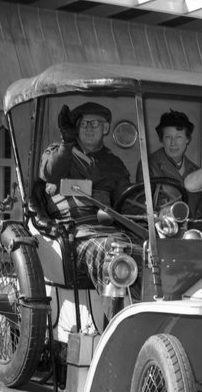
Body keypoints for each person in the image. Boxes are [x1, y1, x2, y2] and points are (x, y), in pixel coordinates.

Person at [35, 101, 135, 289]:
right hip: (73, 234)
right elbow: (50, 173)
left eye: (94, 123)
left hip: (109, 231)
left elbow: (126, 200)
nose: (89, 128)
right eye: (83, 123)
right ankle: (118, 316)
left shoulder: (114, 163)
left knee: (143, 252)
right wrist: (67, 142)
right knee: (112, 257)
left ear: (105, 128)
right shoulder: (58, 152)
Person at [135, 110, 202, 218]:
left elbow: (198, 213)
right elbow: (142, 206)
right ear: (162, 140)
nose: (173, 143)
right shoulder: (148, 166)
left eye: (178, 137)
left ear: (187, 139)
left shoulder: (196, 171)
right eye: (168, 137)